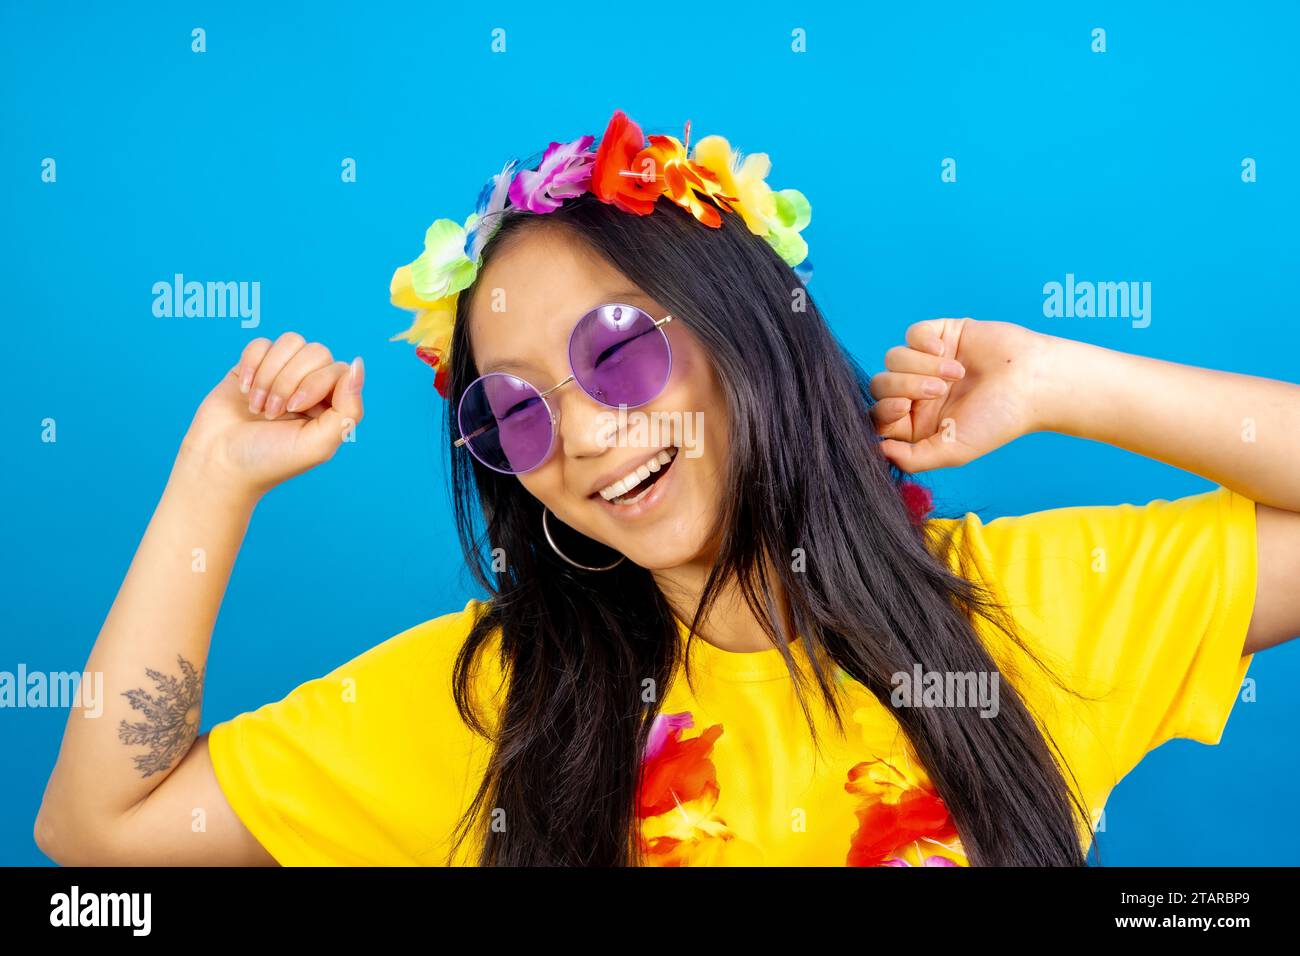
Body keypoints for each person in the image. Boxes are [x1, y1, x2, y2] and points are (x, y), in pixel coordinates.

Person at [34, 109, 1300, 867]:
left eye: (617, 349)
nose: (580, 434)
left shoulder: (1034, 607)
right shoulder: (494, 704)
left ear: (744, 324)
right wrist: (216, 473)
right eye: (515, 409)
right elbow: (97, 834)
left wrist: (1066, 380)